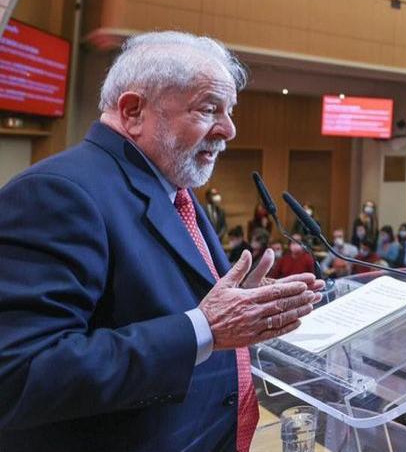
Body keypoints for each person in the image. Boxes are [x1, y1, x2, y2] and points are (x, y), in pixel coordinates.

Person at [0, 31, 323, 450]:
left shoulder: (172, 188)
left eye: (229, 111)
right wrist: (204, 328)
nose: (229, 129)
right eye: (210, 109)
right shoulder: (57, 193)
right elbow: (19, 374)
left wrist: (243, 305)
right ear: (133, 111)